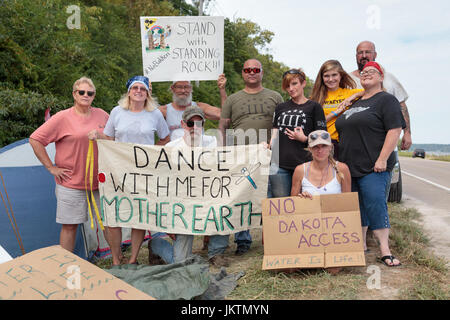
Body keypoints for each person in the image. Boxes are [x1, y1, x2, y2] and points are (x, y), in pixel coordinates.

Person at [88, 75, 170, 266]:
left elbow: (165, 138)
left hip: (143, 172)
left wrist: (150, 154)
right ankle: (117, 258)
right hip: (117, 170)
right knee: (113, 215)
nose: (139, 91)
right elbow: (108, 138)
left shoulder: (155, 114)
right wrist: (98, 135)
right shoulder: (117, 112)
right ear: (129, 91)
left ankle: (133, 258)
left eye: (143, 89)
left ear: (148, 93)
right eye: (135, 88)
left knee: (138, 215)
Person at [336, 62, 404, 267]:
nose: (366, 74)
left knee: (375, 202)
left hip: (374, 164)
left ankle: (385, 249)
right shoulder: (354, 102)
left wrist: (382, 158)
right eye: (363, 72)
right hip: (349, 165)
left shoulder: (387, 100)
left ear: (382, 77)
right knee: (356, 205)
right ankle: (361, 243)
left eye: (372, 71)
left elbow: (395, 129)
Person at [29, 76, 109, 253]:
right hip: (71, 183)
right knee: (70, 226)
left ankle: (118, 261)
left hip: (100, 182)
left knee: (110, 223)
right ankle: (66, 265)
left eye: (90, 93)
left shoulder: (102, 115)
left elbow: (114, 140)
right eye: (81, 92)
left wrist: (101, 136)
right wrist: (51, 167)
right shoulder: (62, 117)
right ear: (74, 94)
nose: (86, 95)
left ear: (94, 96)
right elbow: (35, 139)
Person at [148, 106, 229, 266]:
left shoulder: (212, 143)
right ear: (183, 124)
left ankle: (216, 253)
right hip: (183, 206)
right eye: (191, 123)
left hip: (207, 199)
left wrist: (259, 149)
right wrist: (169, 220)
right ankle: (156, 244)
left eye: (199, 124)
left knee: (225, 205)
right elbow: (165, 184)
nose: (195, 128)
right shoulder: (171, 148)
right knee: (180, 262)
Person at [219, 59, 283, 255]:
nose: (252, 72)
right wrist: (224, 152)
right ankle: (243, 240)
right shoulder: (232, 99)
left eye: (256, 69)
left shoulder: (275, 96)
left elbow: (281, 125)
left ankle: (274, 238)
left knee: (271, 195)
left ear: (262, 73)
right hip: (241, 155)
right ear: (243, 73)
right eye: (248, 70)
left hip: (270, 154)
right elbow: (223, 126)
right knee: (242, 196)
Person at [268, 68, 327, 198]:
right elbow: (275, 131)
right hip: (279, 165)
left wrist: (305, 138)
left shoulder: (314, 107)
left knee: (304, 205)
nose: (291, 88)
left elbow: (323, 138)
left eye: (294, 84)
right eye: (287, 86)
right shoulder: (280, 107)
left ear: (303, 83)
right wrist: (270, 142)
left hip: (305, 164)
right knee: (281, 205)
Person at [350, 41, 412, 150]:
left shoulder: (389, 78)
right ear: (356, 56)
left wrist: (407, 133)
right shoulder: (348, 80)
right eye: (360, 53)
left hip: (385, 141)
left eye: (368, 52)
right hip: (356, 141)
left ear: (375, 55)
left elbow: (401, 106)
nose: (364, 56)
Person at [310, 60, 363, 159]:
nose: (330, 79)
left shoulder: (348, 93)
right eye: (326, 76)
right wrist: (335, 113)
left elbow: (374, 90)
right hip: (323, 143)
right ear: (322, 78)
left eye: (334, 75)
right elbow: (315, 124)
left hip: (346, 144)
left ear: (341, 76)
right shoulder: (316, 98)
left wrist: (354, 95)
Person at [159, 75, 227, 141]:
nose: (183, 90)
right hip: (174, 151)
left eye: (186, 87)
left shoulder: (200, 108)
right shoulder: (164, 111)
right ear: (173, 88)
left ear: (191, 89)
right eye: (179, 87)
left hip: (197, 151)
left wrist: (222, 89)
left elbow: (223, 115)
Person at [290, 130, 351, 198]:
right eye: (315, 146)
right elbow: (293, 203)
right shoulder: (300, 170)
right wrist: (302, 198)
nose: (320, 150)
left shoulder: (342, 168)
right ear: (310, 149)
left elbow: (348, 202)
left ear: (330, 147)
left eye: (324, 146)